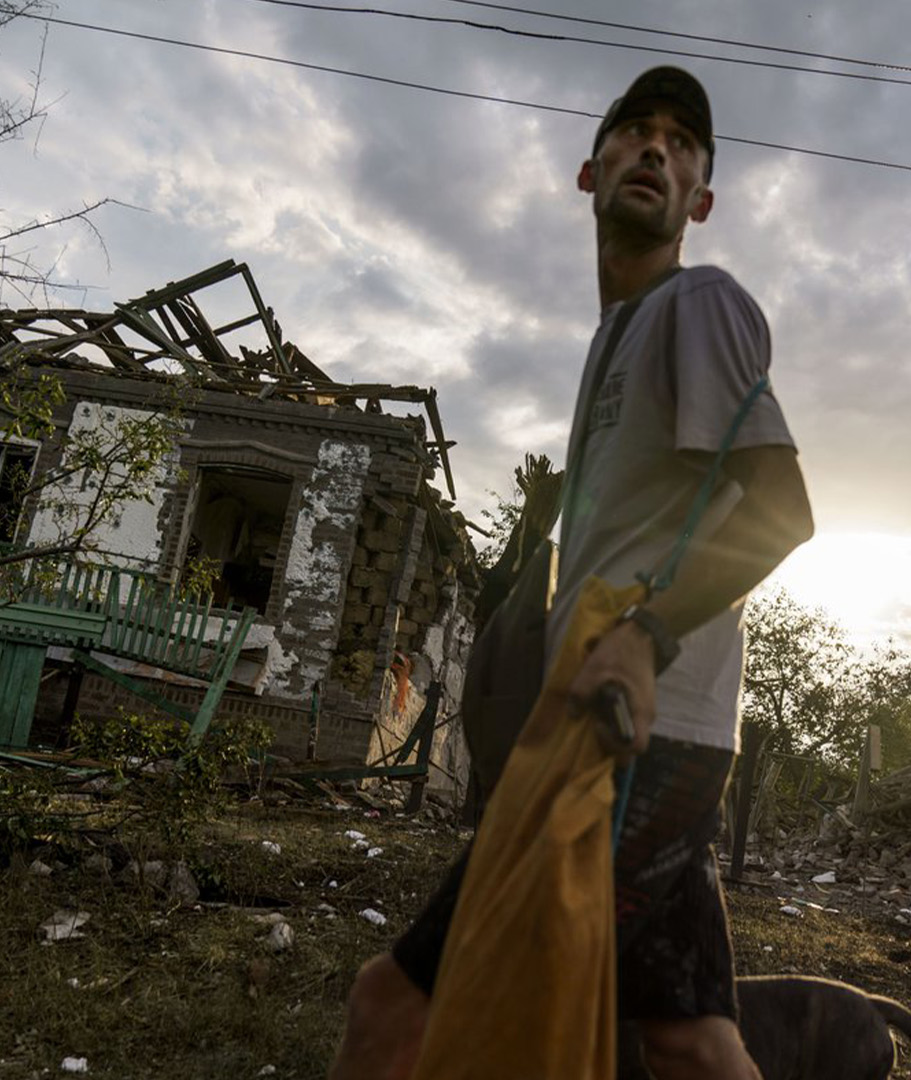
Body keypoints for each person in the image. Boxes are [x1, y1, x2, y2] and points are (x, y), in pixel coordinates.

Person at [330, 65, 812, 1080]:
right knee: (689, 1040)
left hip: (628, 732)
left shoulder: (700, 306)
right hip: (650, 731)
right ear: (588, 172)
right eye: (636, 132)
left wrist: (643, 637)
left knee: (395, 1004)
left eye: (683, 145)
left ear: (702, 200)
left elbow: (780, 511)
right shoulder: (617, 341)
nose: (657, 150)